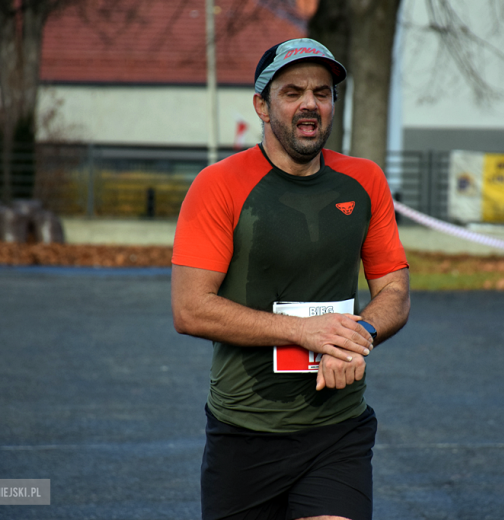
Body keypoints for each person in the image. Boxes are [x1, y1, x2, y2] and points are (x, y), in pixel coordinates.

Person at [171, 38, 410, 520]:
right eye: (293, 91)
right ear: (261, 104)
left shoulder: (364, 181)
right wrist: (307, 333)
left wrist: (357, 337)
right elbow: (190, 308)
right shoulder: (218, 184)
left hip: (337, 428)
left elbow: (395, 292)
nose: (310, 104)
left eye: (322, 93)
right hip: (245, 430)